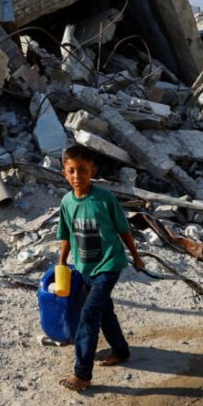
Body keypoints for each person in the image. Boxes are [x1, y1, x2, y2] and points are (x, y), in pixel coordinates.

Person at [55, 145, 146, 392]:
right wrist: (62, 263)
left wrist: (136, 258)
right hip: (84, 267)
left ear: (92, 171)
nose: (77, 176)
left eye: (82, 170)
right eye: (71, 171)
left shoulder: (105, 199)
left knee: (89, 316)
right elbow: (66, 234)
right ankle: (121, 351)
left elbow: (123, 230)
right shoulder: (66, 202)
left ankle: (82, 375)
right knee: (105, 311)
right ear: (64, 173)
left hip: (109, 265)